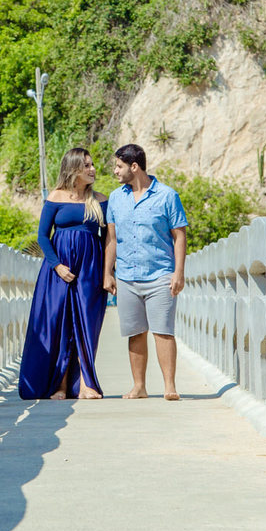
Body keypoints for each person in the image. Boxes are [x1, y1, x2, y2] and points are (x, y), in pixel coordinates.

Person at [19, 147, 109, 400]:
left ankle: (85, 385)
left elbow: (108, 239)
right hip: (58, 271)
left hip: (90, 269)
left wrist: (107, 272)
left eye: (92, 164)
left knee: (87, 326)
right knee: (61, 325)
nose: (93, 169)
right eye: (86, 165)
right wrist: (57, 265)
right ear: (73, 168)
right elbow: (42, 236)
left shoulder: (100, 200)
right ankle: (59, 385)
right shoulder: (56, 197)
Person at [103, 144, 189, 401]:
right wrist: (108, 272)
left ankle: (169, 386)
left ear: (134, 167)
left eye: (119, 166)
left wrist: (179, 272)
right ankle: (139, 386)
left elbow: (179, 235)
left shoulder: (167, 196)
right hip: (127, 276)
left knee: (163, 330)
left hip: (160, 274)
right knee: (135, 332)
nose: (115, 171)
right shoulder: (116, 198)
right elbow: (112, 239)